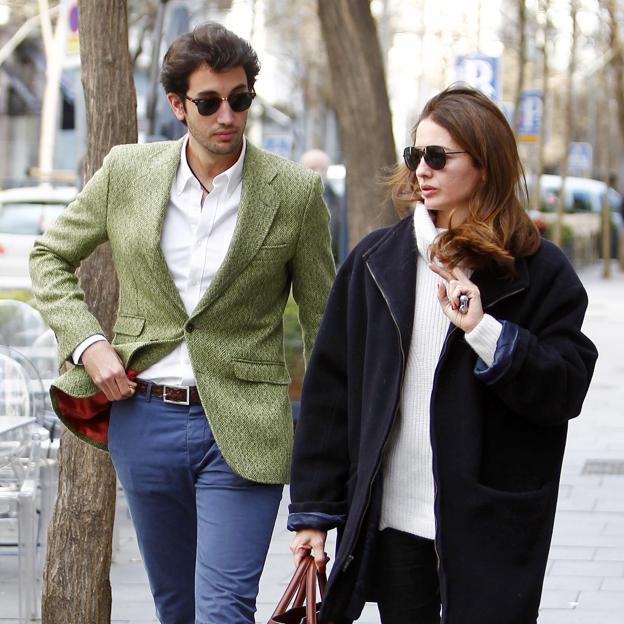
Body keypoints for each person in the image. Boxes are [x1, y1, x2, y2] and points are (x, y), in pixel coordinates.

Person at [30, 22, 335, 624]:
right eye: (210, 102)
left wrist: (327, 472)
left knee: (223, 611)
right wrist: (90, 344)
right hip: (144, 419)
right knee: (177, 609)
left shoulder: (294, 193)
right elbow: (49, 257)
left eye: (240, 99)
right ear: (177, 105)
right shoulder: (127, 172)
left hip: (245, 430)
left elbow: (327, 327)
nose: (228, 115)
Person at [287, 85, 598, 624]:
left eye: (437, 157)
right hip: (397, 523)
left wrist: (486, 332)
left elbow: (566, 386)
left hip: (491, 525)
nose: (420, 170)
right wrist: (313, 513)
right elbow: (329, 393)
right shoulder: (375, 263)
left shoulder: (539, 271)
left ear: (484, 165)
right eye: (415, 156)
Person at [301, 148, 342, 264]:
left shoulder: (337, 200)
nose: (319, 172)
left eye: (323, 168)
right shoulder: (292, 199)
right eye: (313, 167)